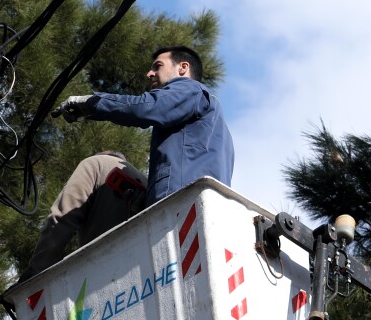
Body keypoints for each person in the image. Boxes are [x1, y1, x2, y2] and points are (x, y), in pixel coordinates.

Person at [54, 46, 234, 206]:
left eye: (158, 66)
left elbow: (146, 107)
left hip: (178, 205)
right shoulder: (219, 129)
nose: (150, 73)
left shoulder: (190, 89)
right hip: (206, 208)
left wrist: (91, 103)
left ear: (183, 68)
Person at [23, 151, 146, 279]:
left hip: (103, 275)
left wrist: (35, 273)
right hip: (144, 273)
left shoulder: (94, 164)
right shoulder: (146, 180)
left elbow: (62, 218)